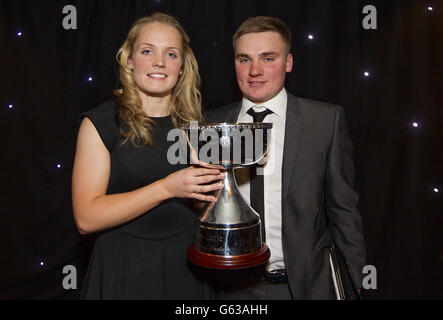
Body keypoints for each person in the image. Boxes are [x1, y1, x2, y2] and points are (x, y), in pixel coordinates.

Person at [206, 16, 366, 300]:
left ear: (288, 63)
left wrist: (356, 285)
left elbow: (344, 211)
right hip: (232, 288)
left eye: (268, 58)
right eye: (244, 59)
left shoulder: (325, 121)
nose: (255, 70)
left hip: (306, 287)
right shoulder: (212, 124)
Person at [72, 12, 224, 299]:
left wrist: (212, 198)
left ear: (182, 67)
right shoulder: (101, 122)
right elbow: (86, 218)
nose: (159, 62)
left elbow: (206, 212)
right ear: (129, 60)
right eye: (147, 51)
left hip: (189, 270)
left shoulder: (197, 127)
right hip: (123, 270)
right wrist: (167, 188)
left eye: (171, 54)